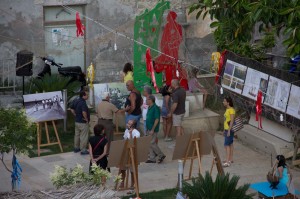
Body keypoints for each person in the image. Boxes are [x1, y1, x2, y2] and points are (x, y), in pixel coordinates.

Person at [119, 119, 140, 189]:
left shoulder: (137, 133)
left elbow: (133, 143)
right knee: (122, 168)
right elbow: (124, 139)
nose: (127, 124)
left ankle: (132, 184)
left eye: (129, 124)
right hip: (125, 152)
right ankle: (122, 183)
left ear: (132, 126)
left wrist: (131, 134)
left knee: (132, 170)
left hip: (132, 153)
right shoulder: (126, 130)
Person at [145, 95, 166, 163]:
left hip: (152, 129)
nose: (146, 101)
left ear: (151, 100)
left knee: (152, 142)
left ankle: (161, 155)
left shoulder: (155, 108)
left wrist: (153, 129)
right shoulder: (149, 107)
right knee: (149, 143)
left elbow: (157, 119)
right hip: (149, 128)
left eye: (147, 99)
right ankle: (152, 158)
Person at [70, 91, 90, 155]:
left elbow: (71, 108)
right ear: (83, 96)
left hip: (77, 121)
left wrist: (75, 114)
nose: (88, 96)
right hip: (83, 122)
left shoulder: (76, 100)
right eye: (87, 95)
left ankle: (76, 148)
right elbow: (84, 112)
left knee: (77, 135)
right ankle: (83, 150)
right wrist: (86, 119)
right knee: (83, 136)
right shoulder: (83, 103)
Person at [222, 96, 235, 167]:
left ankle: (227, 162)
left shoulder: (231, 110)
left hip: (229, 130)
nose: (223, 102)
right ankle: (230, 159)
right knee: (230, 144)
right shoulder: (227, 109)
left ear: (228, 102)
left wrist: (229, 130)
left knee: (226, 145)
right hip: (227, 129)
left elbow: (232, 121)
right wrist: (224, 130)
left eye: (224, 101)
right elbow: (226, 120)